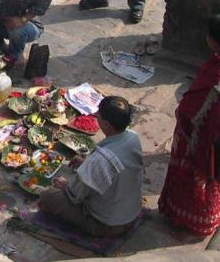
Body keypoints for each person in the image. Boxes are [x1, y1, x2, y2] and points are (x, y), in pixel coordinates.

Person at [158, 14, 220, 236]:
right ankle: (214, 214)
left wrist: (183, 113)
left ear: (213, 40)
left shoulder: (219, 75)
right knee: (217, 174)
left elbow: (194, 109)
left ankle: (191, 219)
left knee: (196, 177)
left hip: (203, 138)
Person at [39, 96, 143, 237]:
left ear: (106, 124)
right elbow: (114, 167)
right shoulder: (132, 136)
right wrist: (87, 164)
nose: (96, 117)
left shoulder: (99, 160)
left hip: (108, 224)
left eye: (98, 115)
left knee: (47, 197)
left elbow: (75, 196)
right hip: (130, 211)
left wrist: (65, 185)